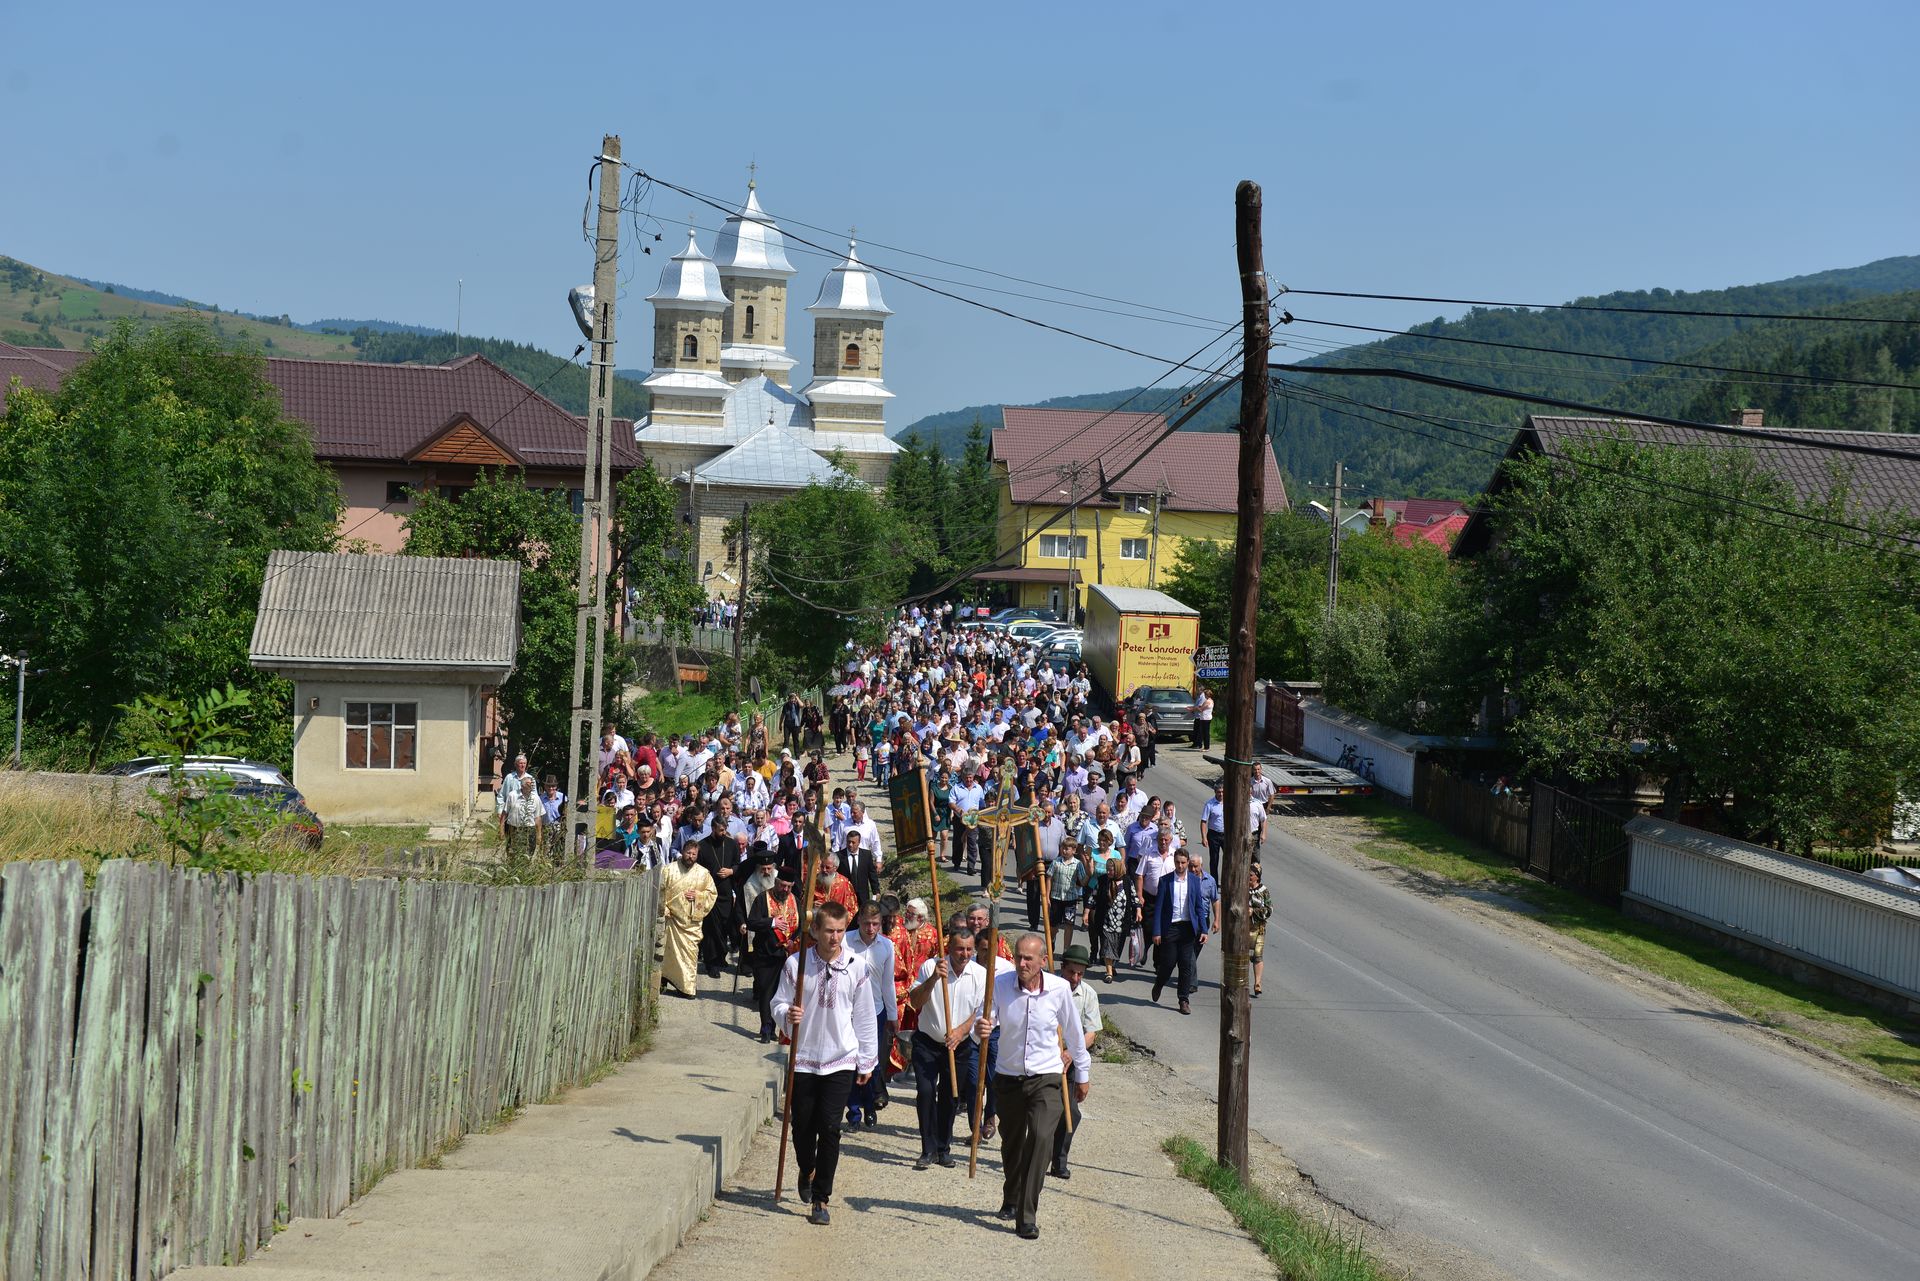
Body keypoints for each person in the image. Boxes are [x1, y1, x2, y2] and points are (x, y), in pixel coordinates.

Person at [974, 933, 1092, 1240]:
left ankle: (1027, 1215)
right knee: (1012, 1143)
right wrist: (982, 1027)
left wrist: (1083, 1074)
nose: (1022, 963)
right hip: (1009, 1078)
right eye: (1018, 957)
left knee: (1041, 1139)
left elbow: (1075, 1035)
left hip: (1047, 1078)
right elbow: (984, 1021)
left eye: (1029, 958)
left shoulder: (1059, 989)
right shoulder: (999, 985)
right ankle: (1011, 1195)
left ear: (1042, 961)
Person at [772, 901, 879, 1226]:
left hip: (840, 1058)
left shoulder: (856, 966)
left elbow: (864, 1015)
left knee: (830, 1129)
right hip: (804, 1059)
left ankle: (821, 1199)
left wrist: (866, 1061)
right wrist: (787, 1015)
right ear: (815, 930)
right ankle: (807, 1168)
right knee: (802, 1126)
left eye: (839, 930)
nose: (835, 937)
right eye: (828, 931)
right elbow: (777, 1002)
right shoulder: (796, 964)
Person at [906, 922, 987, 1170]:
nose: (964, 954)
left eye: (969, 949)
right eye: (959, 949)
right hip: (928, 1042)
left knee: (950, 1097)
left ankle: (943, 1148)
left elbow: (981, 1011)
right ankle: (927, 1148)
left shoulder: (979, 975)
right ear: (949, 948)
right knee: (927, 1092)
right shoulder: (931, 966)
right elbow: (915, 1001)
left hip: (959, 1046)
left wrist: (961, 1032)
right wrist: (933, 979)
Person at [1051, 944, 1101, 1179]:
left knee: (1072, 1112)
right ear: (1063, 968)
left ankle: (1059, 1161)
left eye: (1080, 973)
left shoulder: (1088, 994)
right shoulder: (1049, 987)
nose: (1075, 978)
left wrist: (1070, 1053)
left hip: (1071, 1061)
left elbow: (1090, 1034)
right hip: (1046, 1060)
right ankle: (1037, 1155)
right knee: (1045, 1111)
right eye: (1071, 972)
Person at [845, 905, 898, 1127]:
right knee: (850, 1060)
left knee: (870, 1060)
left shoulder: (886, 946)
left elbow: (887, 982)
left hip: (875, 1009)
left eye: (875, 924)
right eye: (867, 923)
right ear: (859, 920)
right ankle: (853, 1111)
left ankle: (869, 1106)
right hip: (847, 1009)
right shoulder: (845, 941)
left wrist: (893, 1014)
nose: (870, 928)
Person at [743, 851, 800, 1040]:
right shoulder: (763, 899)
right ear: (776, 883)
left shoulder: (794, 900)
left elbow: (800, 926)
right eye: (782, 886)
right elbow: (751, 922)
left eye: (788, 887)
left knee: (781, 993)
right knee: (767, 991)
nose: (785, 890)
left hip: (786, 955)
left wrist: (794, 940)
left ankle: (775, 1027)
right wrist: (772, 923)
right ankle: (766, 1028)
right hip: (765, 954)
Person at [1151, 848, 1209, 1015]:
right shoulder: (1165, 881)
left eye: (1184, 863)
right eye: (1178, 862)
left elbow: (1199, 906)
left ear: (1188, 862)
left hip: (1188, 928)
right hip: (1170, 928)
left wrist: (1203, 929)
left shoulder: (1194, 881)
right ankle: (1159, 983)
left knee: (1186, 965)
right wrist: (1157, 931)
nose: (1180, 865)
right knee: (1168, 964)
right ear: (1174, 862)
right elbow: (1159, 908)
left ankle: (1183, 1000)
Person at [660, 842, 719, 999]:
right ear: (682, 852)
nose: (690, 857)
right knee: (667, 953)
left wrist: (699, 896)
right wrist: (664, 909)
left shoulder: (703, 873)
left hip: (691, 924)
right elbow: (659, 891)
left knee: (690, 955)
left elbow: (712, 894)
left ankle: (686, 987)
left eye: (693, 854)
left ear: (697, 855)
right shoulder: (668, 870)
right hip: (671, 920)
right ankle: (663, 979)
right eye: (688, 853)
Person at [1085, 854, 1139, 982]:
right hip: (1106, 920)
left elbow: (1134, 897)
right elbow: (1093, 897)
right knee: (1107, 944)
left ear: (1118, 869)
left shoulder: (1127, 881)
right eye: (1107, 869)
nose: (1108, 872)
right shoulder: (1103, 880)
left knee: (1117, 946)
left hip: (1122, 921)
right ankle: (1108, 972)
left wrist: (1138, 910)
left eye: (1111, 869)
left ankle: (1112, 964)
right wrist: (1086, 913)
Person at [1046, 837, 1088, 956]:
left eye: (1067, 849)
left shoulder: (1078, 864)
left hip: (1071, 899)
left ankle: (1066, 950)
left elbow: (1083, 881)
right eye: (1063, 848)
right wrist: (1047, 896)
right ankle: (1052, 940)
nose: (1064, 851)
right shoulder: (1056, 862)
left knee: (1069, 924)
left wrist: (1089, 872)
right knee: (1053, 925)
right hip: (1056, 898)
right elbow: (1049, 878)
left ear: (1074, 850)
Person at [501, 773, 542, 865]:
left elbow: (538, 817)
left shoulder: (536, 798)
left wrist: (539, 834)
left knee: (528, 853)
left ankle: (525, 869)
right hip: (514, 829)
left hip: (529, 830)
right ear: (522, 785)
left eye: (531, 784)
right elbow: (505, 813)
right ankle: (512, 868)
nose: (530, 786)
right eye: (528, 784)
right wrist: (502, 830)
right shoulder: (512, 795)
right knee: (512, 852)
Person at [496, 752, 533, 840]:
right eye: (520, 763)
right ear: (516, 765)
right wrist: (500, 810)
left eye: (524, 763)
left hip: (525, 814)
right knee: (510, 840)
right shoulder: (509, 778)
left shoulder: (530, 778)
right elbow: (502, 795)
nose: (523, 765)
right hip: (510, 814)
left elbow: (534, 796)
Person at [1249, 861, 1271, 999]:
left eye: (1251, 875)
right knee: (1243, 955)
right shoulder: (1242, 887)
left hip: (1258, 928)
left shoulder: (1263, 891)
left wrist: (1254, 911)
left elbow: (1270, 910)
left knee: (1257, 955)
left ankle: (1257, 983)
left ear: (1257, 876)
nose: (1248, 877)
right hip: (1243, 927)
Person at [1201, 781, 1227, 880]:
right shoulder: (1209, 804)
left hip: (1226, 835)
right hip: (1213, 835)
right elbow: (1203, 821)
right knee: (1214, 860)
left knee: (1228, 859)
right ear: (1215, 792)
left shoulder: (1228, 802)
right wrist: (1204, 837)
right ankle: (1214, 883)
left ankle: (1226, 881)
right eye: (1218, 792)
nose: (1221, 794)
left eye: (1222, 792)